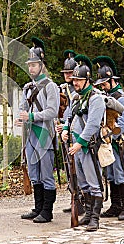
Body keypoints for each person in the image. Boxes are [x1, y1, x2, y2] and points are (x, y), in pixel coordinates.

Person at [17, 37, 60, 223]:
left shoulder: (51, 86)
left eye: (34, 64)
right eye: (30, 65)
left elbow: (52, 111)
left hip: (44, 134)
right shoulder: (27, 87)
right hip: (30, 135)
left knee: (46, 174)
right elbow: (22, 108)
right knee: (34, 174)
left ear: (42, 65)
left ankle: (47, 211)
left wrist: (32, 117)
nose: (31, 68)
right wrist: (21, 118)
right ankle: (38, 208)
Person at [61, 54, 105, 232]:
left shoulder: (96, 98)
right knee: (82, 182)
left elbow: (93, 124)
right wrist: (65, 130)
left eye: (78, 80)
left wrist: (79, 142)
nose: (75, 83)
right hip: (76, 147)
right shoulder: (76, 98)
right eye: (74, 81)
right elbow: (69, 117)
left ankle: (95, 218)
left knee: (94, 182)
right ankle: (87, 213)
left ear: (87, 80)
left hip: (88, 147)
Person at [92, 56, 124, 221]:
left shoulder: (122, 99)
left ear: (111, 80)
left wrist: (108, 136)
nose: (102, 86)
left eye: (104, 83)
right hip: (107, 142)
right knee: (110, 174)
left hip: (117, 142)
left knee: (119, 173)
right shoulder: (105, 97)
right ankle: (116, 206)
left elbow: (122, 125)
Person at [57, 50, 85, 215]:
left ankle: (84, 201)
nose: (67, 75)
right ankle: (74, 199)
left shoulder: (78, 91)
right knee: (69, 170)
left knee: (80, 170)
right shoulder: (62, 90)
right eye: (65, 72)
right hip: (66, 132)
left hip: (78, 133)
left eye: (70, 72)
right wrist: (61, 125)